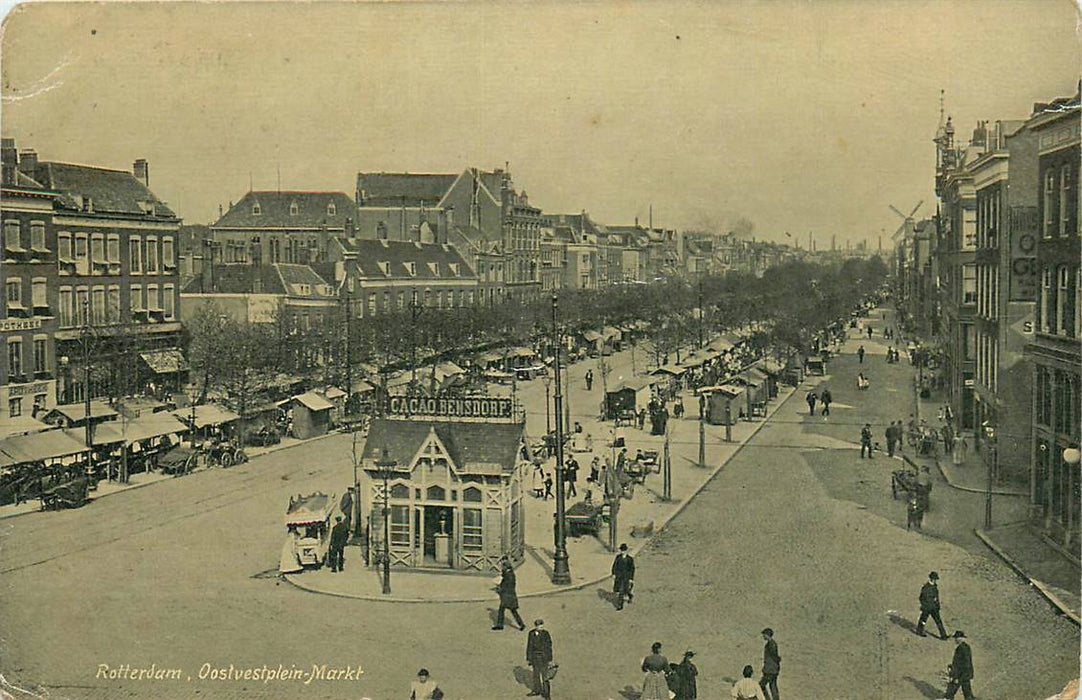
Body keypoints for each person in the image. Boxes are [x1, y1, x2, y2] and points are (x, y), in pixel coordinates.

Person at [492, 557, 526, 631]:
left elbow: (508, 585)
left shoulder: (509, 575)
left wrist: (500, 589)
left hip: (508, 595)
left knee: (508, 610)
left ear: (505, 566)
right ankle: (520, 624)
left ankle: (501, 625)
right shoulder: (508, 573)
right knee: (508, 610)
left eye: (502, 566)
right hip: (508, 595)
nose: (501, 568)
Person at [916, 571, 949, 639]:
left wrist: (937, 605)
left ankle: (943, 635)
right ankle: (919, 631)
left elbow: (936, 597)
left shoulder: (933, 586)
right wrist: (925, 605)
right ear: (932, 579)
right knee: (923, 620)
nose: (935, 580)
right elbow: (922, 598)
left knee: (938, 621)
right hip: (927, 607)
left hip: (933, 607)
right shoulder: (926, 587)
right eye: (935, 579)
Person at [526, 619, 553, 699]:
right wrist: (529, 658)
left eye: (541, 626)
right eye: (539, 626)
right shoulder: (531, 634)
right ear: (535, 626)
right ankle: (537, 690)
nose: (540, 627)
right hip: (535, 658)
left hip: (544, 658)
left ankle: (547, 694)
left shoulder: (546, 634)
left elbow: (549, 647)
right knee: (536, 675)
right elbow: (529, 646)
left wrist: (550, 659)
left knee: (545, 676)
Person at [943, 630, 974, 699]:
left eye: (957, 638)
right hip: (965, 674)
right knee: (967, 692)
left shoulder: (962, 648)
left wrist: (958, 677)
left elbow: (966, 663)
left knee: (951, 691)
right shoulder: (965, 647)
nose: (956, 639)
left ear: (962, 638)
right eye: (955, 638)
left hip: (961, 674)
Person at [611, 543, 635, 610]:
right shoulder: (618, 557)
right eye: (622, 550)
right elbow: (614, 566)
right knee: (620, 591)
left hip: (626, 577)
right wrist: (613, 574)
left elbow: (632, 569)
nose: (623, 552)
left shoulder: (630, 559)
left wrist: (631, 578)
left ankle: (630, 595)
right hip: (619, 577)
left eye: (624, 550)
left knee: (626, 590)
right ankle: (620, 605)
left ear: (627, 551)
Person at [760, 628, 781, 700]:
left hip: (770, 670)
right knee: (773, 686)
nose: (763, 636)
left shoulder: (771, 645)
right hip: (773, 669)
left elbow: (774, 656)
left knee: (761, 685)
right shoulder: (771, 644)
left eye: (764, 635)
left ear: (768, 635)